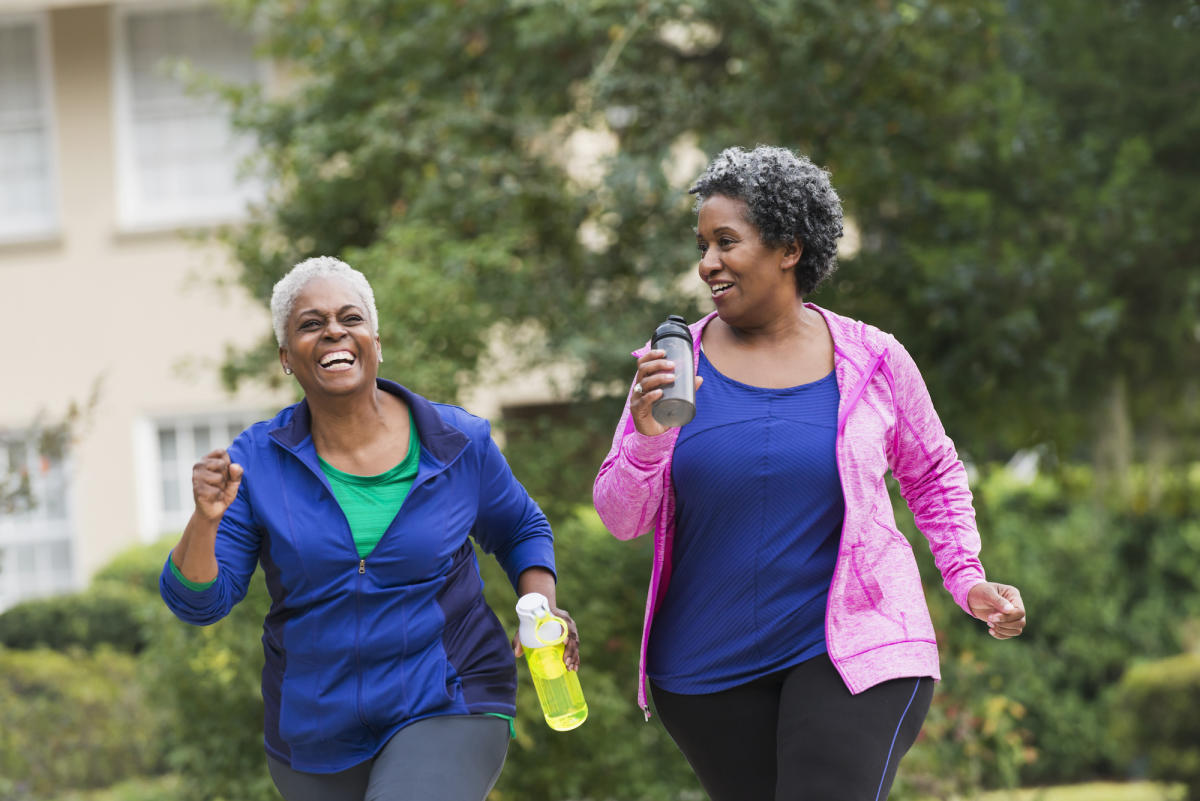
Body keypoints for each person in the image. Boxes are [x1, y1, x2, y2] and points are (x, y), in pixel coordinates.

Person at [593, 146, 1026, 801]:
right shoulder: (671, 367)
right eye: (703, 244)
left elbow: (933, 473)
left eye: (726, 242)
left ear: (789, 249)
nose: (706, 262)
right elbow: (621, 518)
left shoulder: (875, 360)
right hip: (705, 671)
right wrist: (648, 438)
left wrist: (966, 573)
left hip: (854, 652)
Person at [160, 256, 579, 801]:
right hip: (313, 731)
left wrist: (539, 606)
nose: (334, 330)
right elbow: (201, 603)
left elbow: (521, 526)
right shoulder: (256, 464)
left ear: (375, 341)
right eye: (311, 324)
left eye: (349, 318)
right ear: (287, 357)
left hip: (449, 697)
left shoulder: (456, 442)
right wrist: (205, 521)